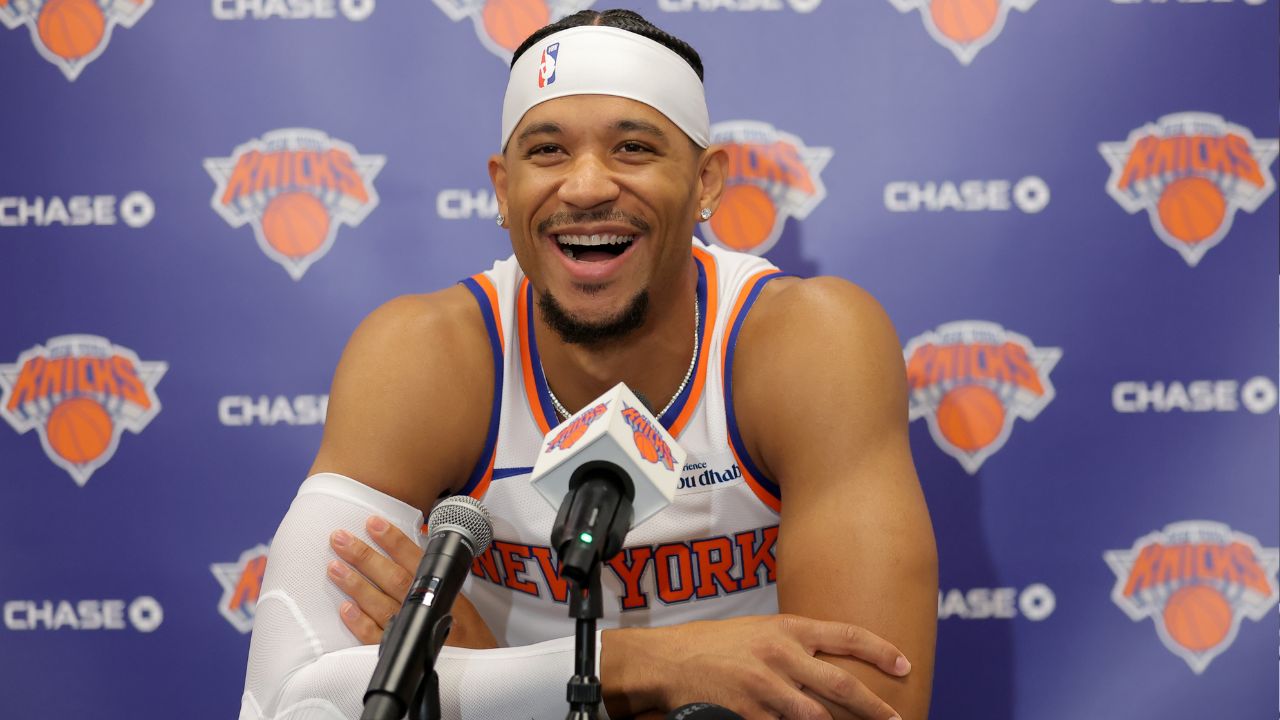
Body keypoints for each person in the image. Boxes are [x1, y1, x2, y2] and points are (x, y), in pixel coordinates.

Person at [239, 9, 937, 720]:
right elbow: (287, 701)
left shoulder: (806, 342)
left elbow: (870, 705)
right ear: (503, 189)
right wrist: (644, 667)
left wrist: (485, 677)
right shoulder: (424, 357)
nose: (585, 187)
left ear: (706, 182)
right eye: (547, 151)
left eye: (632, 148)